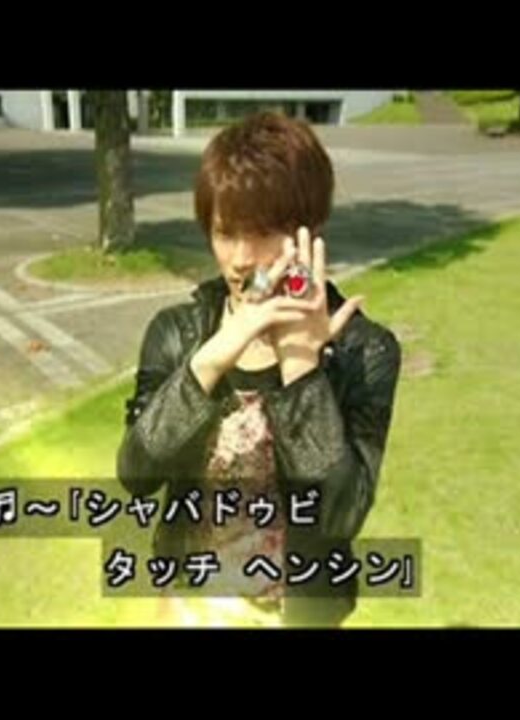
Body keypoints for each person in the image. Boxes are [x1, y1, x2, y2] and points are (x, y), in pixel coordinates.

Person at [116, 111, 402, 627]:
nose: (242, 258)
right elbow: (137, 475)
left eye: (264, 231)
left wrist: (301, 366)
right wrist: (212, 357)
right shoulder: (178, 333)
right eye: (226, 232)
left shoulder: (364, 350)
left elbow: (340, 516)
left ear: (310, 227)